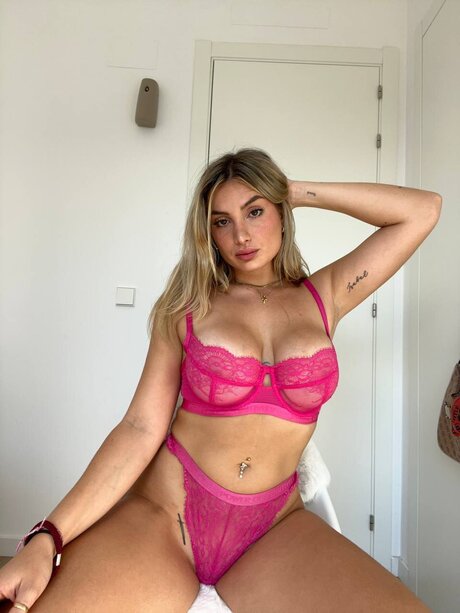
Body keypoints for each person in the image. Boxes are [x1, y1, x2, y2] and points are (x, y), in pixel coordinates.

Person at [0, 148, 441, 612]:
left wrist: (291, 191)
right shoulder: (187, 306)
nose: (241, 235)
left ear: (280, 211)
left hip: (273, 530)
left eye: (255, 211)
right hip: (167, 520)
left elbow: (422, 210)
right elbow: (139, 427)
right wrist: (47, 538)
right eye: (222, 221)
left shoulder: (325, 296)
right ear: (208, 232)